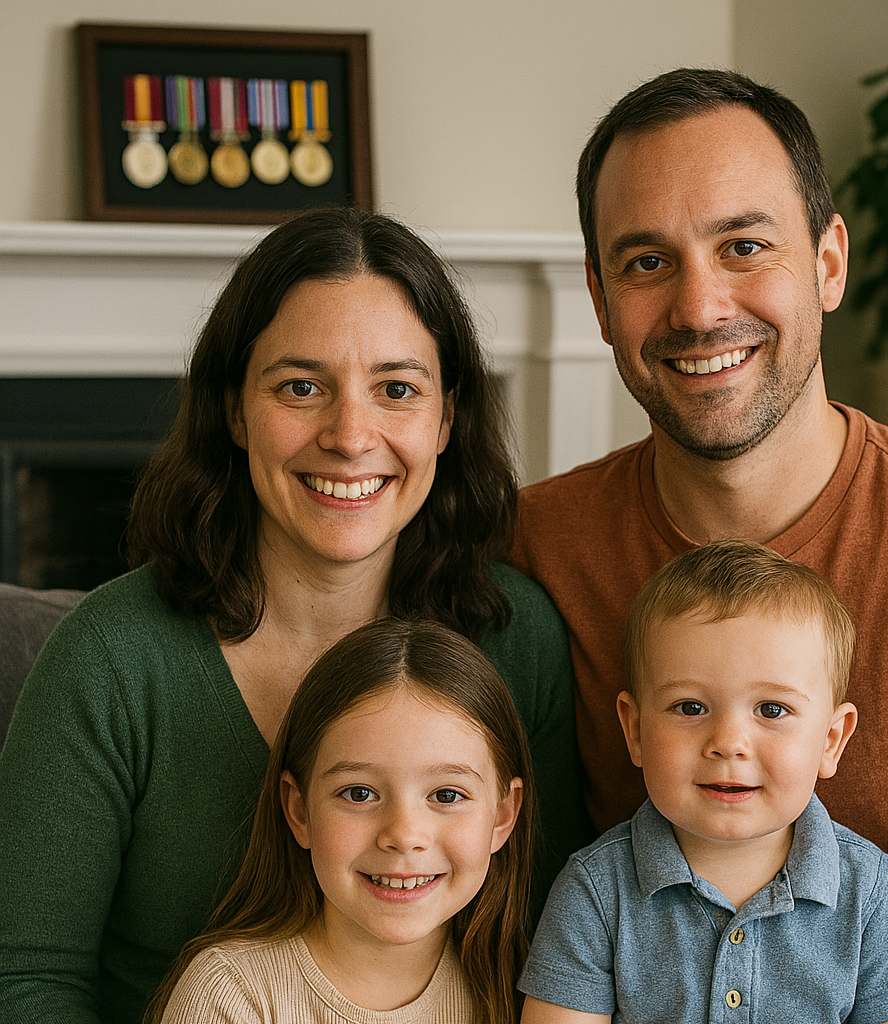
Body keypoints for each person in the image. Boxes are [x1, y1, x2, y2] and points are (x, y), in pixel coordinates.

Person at [0, 207, 589, 1024]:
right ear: (235, 411)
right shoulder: (110, 659)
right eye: (301, 387)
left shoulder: (514, 638)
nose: (351, 436)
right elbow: (26, 978)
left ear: (448, 417)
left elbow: (558, 943)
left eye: (396, 389)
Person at [508, 68, 888, 1017]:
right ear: (600, 297)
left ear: (828, 262)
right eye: (647, 261)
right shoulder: (530, 547)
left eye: (744, 245)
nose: (699, 309)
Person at [519, 540, 888, 1023]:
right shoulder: (595, 890)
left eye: (772, 710)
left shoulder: (867, 892)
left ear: (830, 740)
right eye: (690, 707)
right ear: (634, 730)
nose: (728, 743)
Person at [148, 617, 533, 1024]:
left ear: (503, 815)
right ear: (299, 810)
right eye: (359, 793)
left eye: (447, 795)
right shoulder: (231, 995)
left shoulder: (527, 991)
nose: (403, 836)